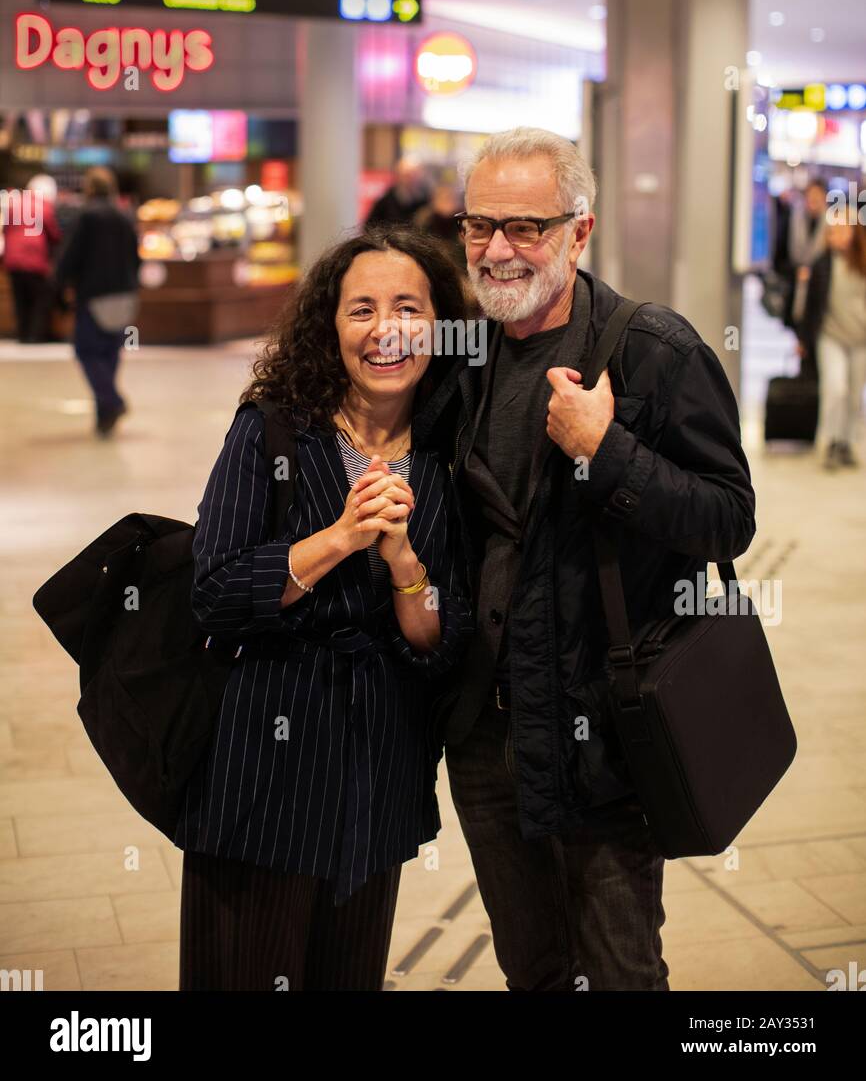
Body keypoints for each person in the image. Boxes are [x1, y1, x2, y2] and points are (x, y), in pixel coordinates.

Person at [421, 126, 756, 991]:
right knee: (532, 970)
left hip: (601, 736)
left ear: (580, 232)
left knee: (619, 972)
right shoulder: (467, 355)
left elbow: (728, 519)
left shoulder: (654, 350)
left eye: (525, 227)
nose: (497, 249)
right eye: (480, 225)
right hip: (487, 738)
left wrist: (608, 455)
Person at [175, 226, 473, 991]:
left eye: (408, 308)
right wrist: (341, 537)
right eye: (361, 309)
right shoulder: (274, 429)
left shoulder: (447, 456)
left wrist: (403, 562)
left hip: (379, 776)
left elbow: (438, 640)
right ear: (330, 326)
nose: (385, 330)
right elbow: (215, 591)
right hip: (265, 774)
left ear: (440, 326)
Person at [53, 167, 140, 436]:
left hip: (93, 296)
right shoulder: (125, 216)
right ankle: (104, 416)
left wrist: (59, 289)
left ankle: (112, 401)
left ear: (89, 188)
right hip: (124, 295)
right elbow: (136, 257)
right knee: (110, 353)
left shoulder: (86, 216)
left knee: (87, 352)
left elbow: (69, 257)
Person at [800, 216, 866, 470]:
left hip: (860, 338)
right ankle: (828, 442)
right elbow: (810, 306)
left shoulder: (862, 262)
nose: (835, 235)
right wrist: (804, 338)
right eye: (832, 231)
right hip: (831, 337)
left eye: (841, 230)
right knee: (835, 388)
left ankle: (846, 442)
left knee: (853, 394)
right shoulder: (822, 264)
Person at [1, 174, 61, 342]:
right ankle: (35, 336)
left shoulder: (14, 204)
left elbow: (5, 229)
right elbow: (54, 235)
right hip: (34, 260)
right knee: (39, 299)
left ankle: (22, 334)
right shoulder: (44, 206)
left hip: (13, 260)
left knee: (20, 299)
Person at [787, 177, 828, 376]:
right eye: (810, 196)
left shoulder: (831, 224)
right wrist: (797, 271)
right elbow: (783, 255)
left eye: (817, 196)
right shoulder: (795, 219)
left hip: (821, 297)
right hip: (799, 292)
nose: (813, 201)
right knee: (803, 347)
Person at [364, 157, 429, 227]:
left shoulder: (426, 201)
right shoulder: (385, 202)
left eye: (414, 175)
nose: (411, 179)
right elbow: (369, 226)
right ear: (398, 176)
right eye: (407, 175)